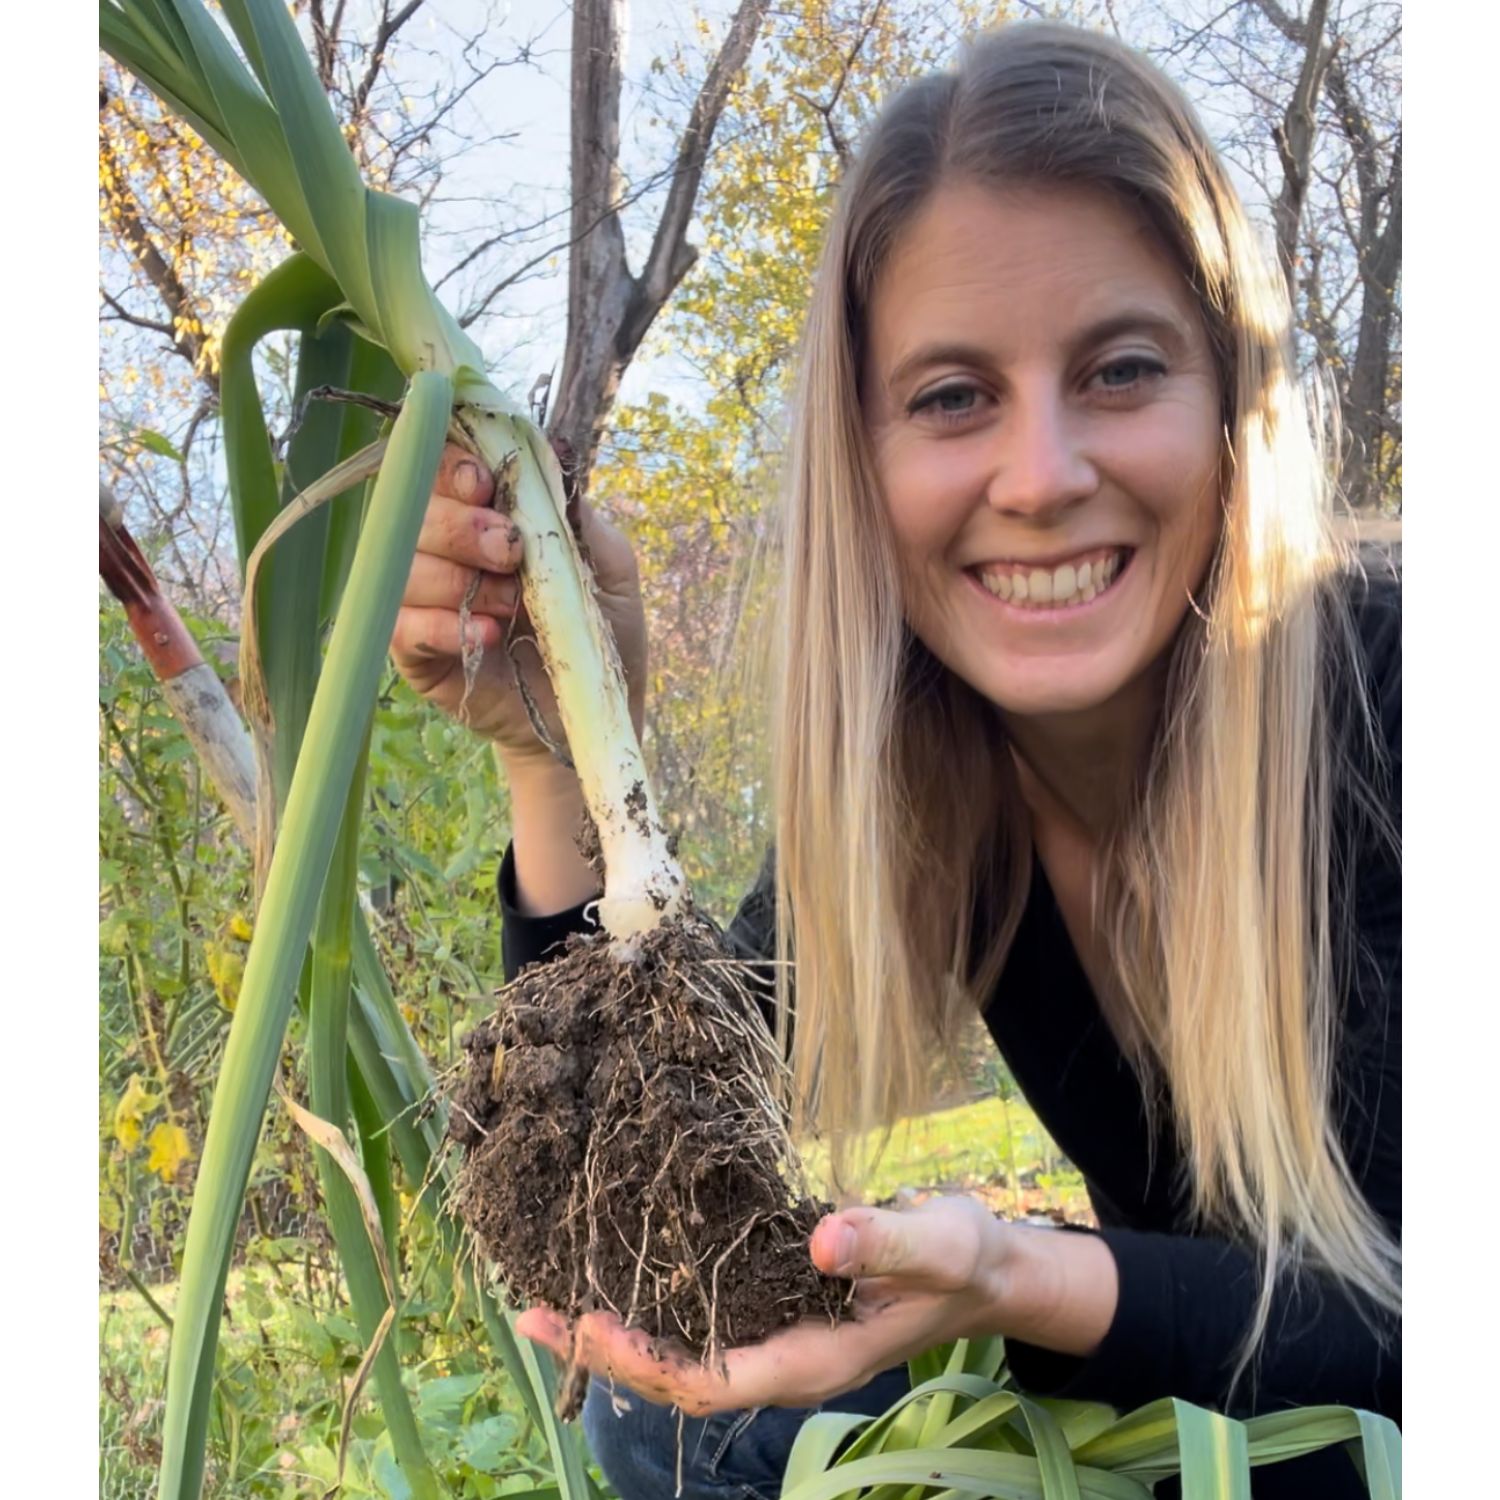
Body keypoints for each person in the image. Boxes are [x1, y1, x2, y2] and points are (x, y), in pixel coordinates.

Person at [391, 21, 1400, 1500]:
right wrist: (552, 753)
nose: (1043, 475)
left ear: (1233, 407)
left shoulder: (1401, 703)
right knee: (666, 1420)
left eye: (1122, 369)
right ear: (862, 460)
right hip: (1180, 1399)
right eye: (951, 397)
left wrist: (1020, 1277)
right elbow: (623, 1170)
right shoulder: (933, 786)